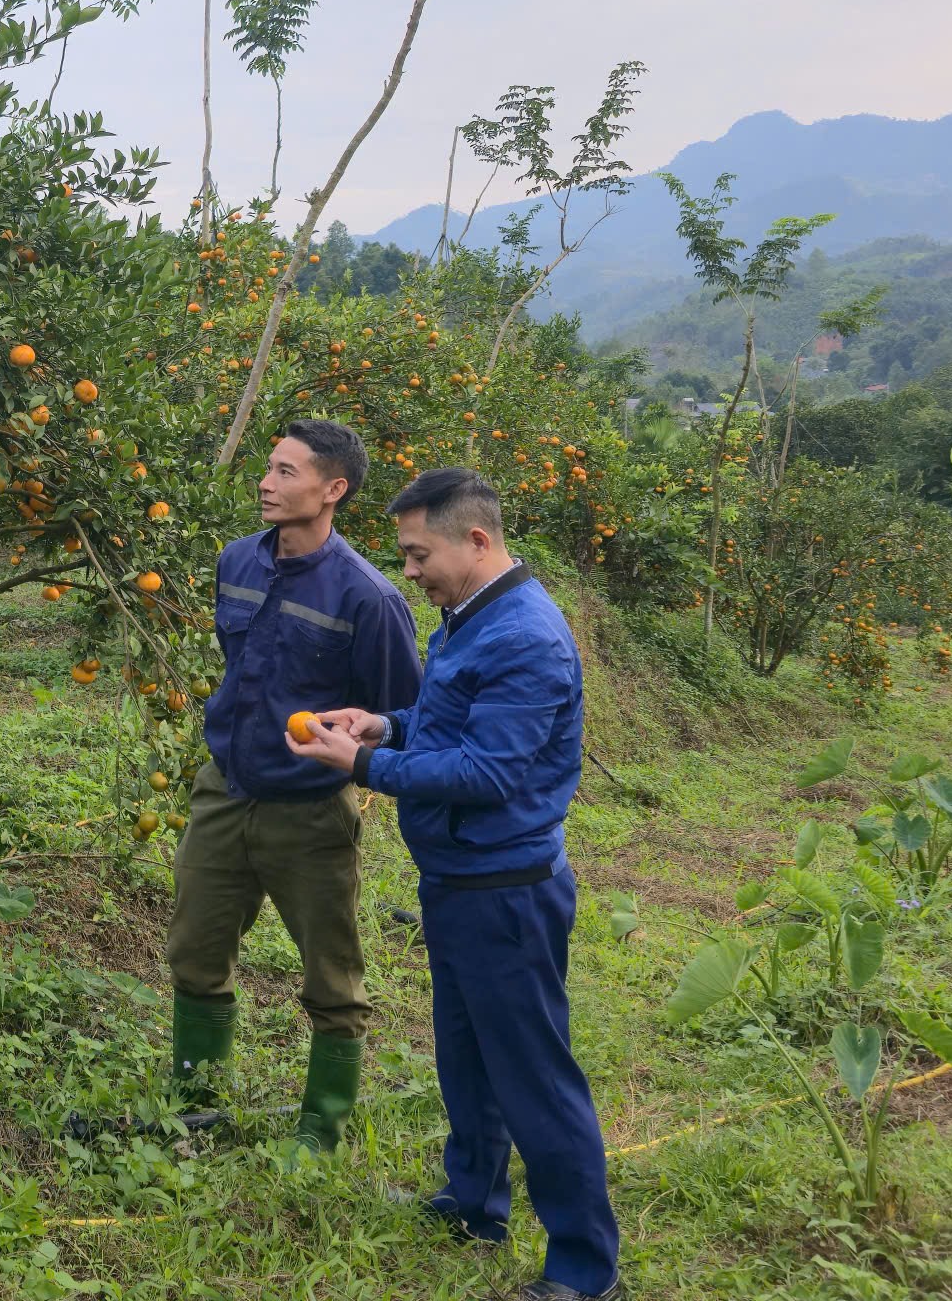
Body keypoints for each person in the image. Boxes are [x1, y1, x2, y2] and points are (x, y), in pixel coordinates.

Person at [287, 466, 620, 1301]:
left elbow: (485, 773)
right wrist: (384, 725)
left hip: (506, 891)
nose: (409, 572)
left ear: (475, 540)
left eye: (417, 554)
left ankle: (585, 1269)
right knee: (467, 1061)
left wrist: (361, 763)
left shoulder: (525, 638)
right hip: (459, 881)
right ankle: (473, 1204)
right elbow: (448, 725)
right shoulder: (470, 616)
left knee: (534, 1077)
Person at [164, 419, 421, 1154]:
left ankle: (320, 1133)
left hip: (309, 813)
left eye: (285, 472)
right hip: (224, 792)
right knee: (195, 954)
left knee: (332, 981)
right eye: (268, 468)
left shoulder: (368, 597)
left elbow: (404, 713)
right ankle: (195, 1107)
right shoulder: (237, 561)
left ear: (332, 489)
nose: (266, 483)